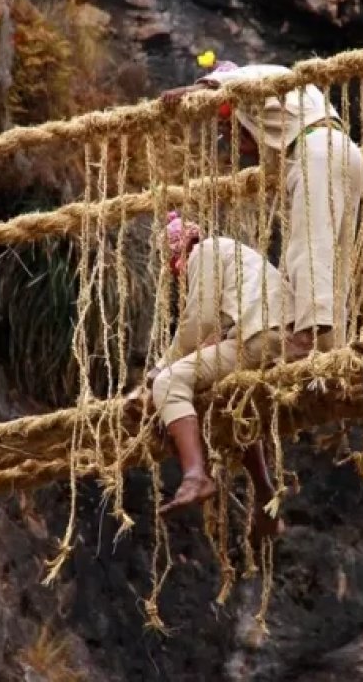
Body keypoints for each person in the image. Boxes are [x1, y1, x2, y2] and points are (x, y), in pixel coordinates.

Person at [161, 55, 363, 358]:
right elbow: (253, 143)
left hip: (317, 152)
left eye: (224, 122)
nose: (227, 130)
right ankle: (330, 348)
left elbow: (222, 84)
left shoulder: (259, 75)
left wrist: (191, 91)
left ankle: (308, 334)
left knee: (309, 247)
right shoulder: (283, 105)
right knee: (336, 256)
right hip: (346, 154)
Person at [147, 211, 287, 542]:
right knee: (228, 402)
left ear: (178, 253)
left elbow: (200, 321)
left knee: (170, 383)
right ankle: (266, 494)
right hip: (280, 337)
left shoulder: (203, 253)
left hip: (261, 337)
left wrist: (161, 367)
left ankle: (196, 475)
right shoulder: (232, 254)